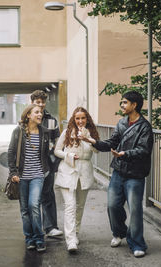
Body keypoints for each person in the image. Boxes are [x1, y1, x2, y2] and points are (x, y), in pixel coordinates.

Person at [81, 91, 153, 258]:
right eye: (122, 102)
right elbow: (112, 143)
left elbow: (144, 150)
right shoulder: (121, 123)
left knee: (135, 210)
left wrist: (124, 154)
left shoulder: (144, 127)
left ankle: (137, 244)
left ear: (134, 105)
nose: (122, 105)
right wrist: (93, 142)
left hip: (135, 174)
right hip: (119, 171)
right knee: (112, 205)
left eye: (125, 102)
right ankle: (119, 232)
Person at [54, 107, 99, 252]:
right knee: (70, 206)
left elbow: (97, 149)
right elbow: (57, 150)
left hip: (84, 171)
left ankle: (76, 233)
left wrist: (87, 138)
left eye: (83, 118)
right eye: (77, 118)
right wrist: (69, 156)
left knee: (80, 206)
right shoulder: (66, 132)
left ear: (87, 119)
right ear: (73, 119)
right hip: (68, 170)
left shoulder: (91, 133)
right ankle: (71, 240)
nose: (80, 121)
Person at [8, 104, 50, 252]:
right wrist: (13, 173)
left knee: (34, 206)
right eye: (37, 112)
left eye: (41, 112)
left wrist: (49, 170)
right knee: (25, 209)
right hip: (21, 177)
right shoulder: (18, 132)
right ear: (28, 115)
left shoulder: (44, 132)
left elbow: (48, 154)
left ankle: (39, 238)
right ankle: (29, 238)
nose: (40, 114)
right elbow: (11, 152)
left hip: (38, 175)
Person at [30, 90, 63, 237]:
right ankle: (33, 229)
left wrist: (56, 162)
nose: (41, 105)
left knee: (48, 194)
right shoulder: (26, 119)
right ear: (32, 103)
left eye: (43, 102)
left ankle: (50, 228)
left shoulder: (52, 120)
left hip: (48, 162)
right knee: (32, 197)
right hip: (30, 162)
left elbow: (57, 142)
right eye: (38, 102)